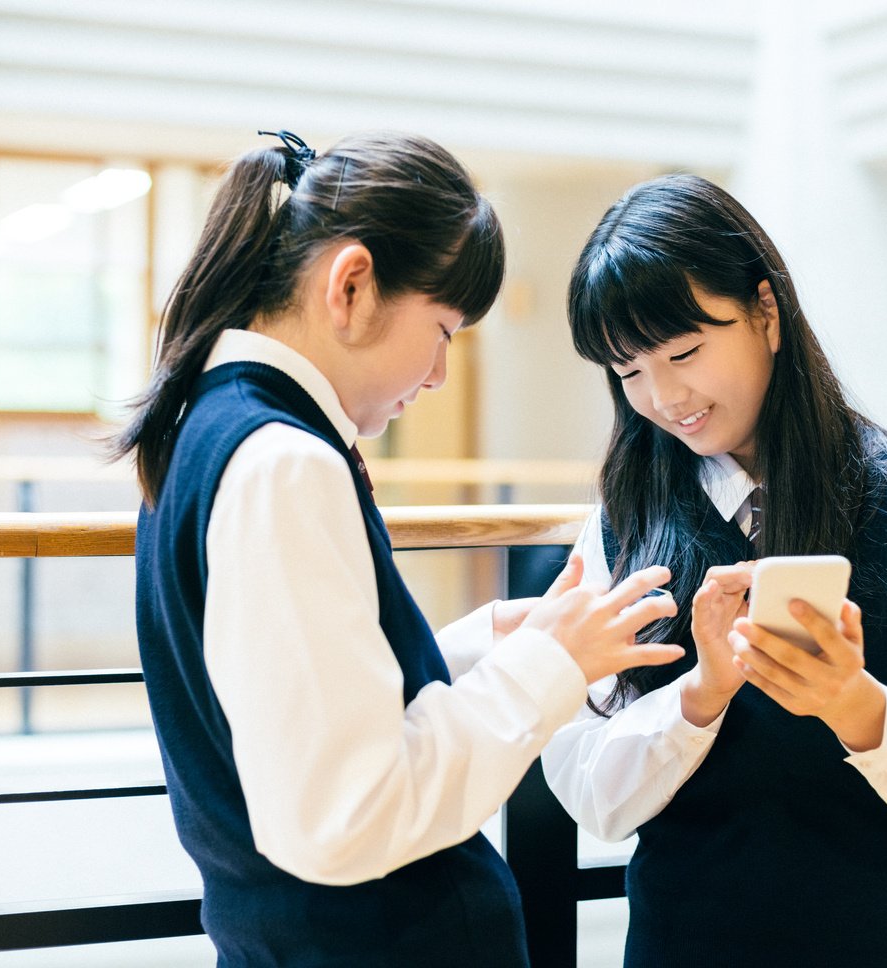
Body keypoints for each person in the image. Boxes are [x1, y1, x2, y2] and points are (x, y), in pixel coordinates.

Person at [116, 130, 683, 967]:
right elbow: (347, 816)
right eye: (445, 329)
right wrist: (548, 668)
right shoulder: (285, 464)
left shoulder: (213, 429)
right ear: (350, 286)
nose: (440, 373)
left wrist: (489, 645)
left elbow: (307, 706)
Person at [540, 174, 887, 967]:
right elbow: (592, 794)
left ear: (765, 312)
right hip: (689, 941)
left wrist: (855, 706)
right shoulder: (620, 527)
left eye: (684, 351)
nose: (665, 397)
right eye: (627, 372)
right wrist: (700, 695)